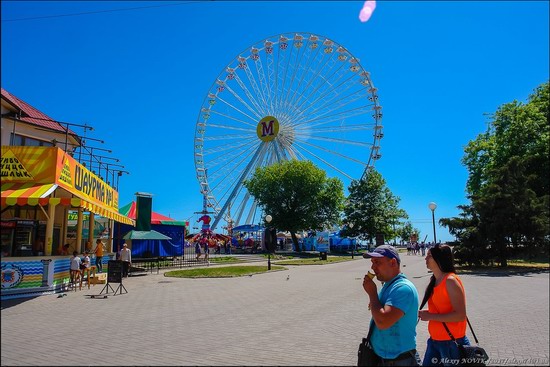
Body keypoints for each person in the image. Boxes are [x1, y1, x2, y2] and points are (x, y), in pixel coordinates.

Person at [362, 245, 421, 366]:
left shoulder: (403, 288)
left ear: (393, 263)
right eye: (372, 262)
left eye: (377, 262)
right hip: (384, 358)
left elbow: (383, 322)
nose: (373, 267)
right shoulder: (388, 285)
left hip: (400, 360)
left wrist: (372, 294)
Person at [418, 244, 470, 366]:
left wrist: (430, 316)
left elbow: (460, 315)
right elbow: (442, 308)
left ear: (439, 259)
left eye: (429, 256)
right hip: (435, 341)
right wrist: (426, 313)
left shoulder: (450, 281)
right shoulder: (435, 280)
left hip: (452, 344)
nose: (426, 259)